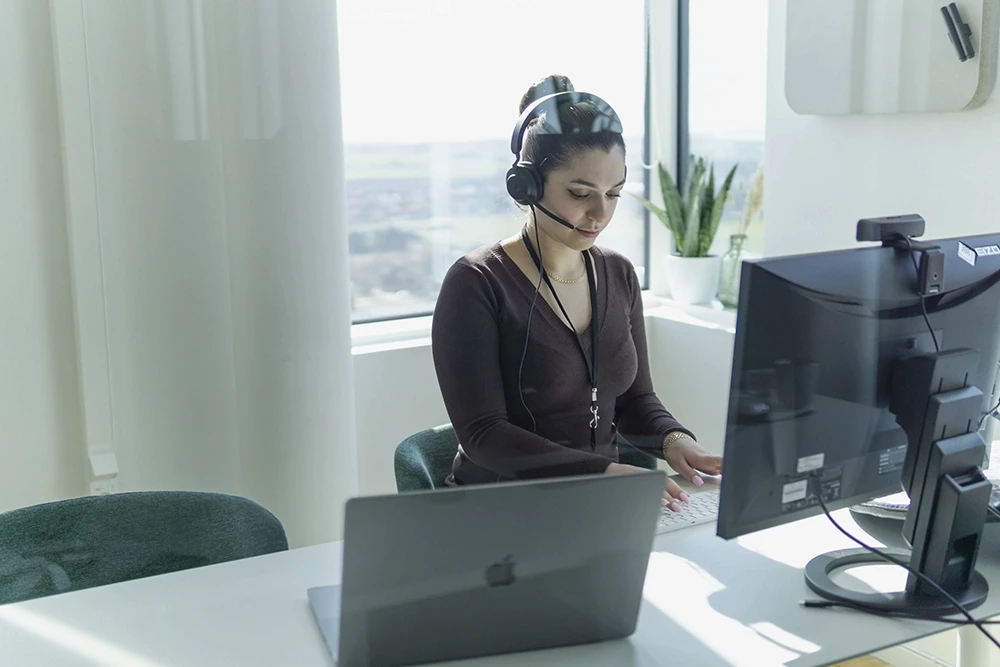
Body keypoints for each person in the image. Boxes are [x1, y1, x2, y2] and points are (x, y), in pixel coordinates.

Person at [431, 75, 721, 511]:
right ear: (527, 185)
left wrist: (675, 440)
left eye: (614, 193)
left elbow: (634, 401)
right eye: (581, 193)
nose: (600, 213)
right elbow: (484, 435)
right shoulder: (477, 283)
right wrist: (601, 473)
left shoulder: (619, 274)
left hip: (600, 506)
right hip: (499, 515)